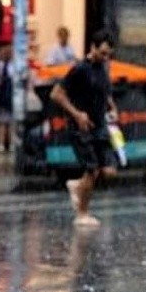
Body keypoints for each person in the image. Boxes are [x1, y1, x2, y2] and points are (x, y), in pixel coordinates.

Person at [50, 29, 118, 227]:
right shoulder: (80, 69)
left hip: (100, 125)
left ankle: (77, 185)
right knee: (92, 170)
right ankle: (82, 212)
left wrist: (112, 107)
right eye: (102, 53)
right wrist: (77, 114)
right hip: (81, 127)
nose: (105, 58)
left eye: (108, 54)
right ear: (92, 48)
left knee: (109, 169)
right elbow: (56, 94)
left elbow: (105, 92)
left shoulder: (104, 68)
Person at [0, 43, 14, 152]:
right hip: (1, 94)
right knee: (1, 120)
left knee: (11, 121)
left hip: (11, 94)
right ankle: (0, 143)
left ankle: (11, 143)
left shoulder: (14, 65)